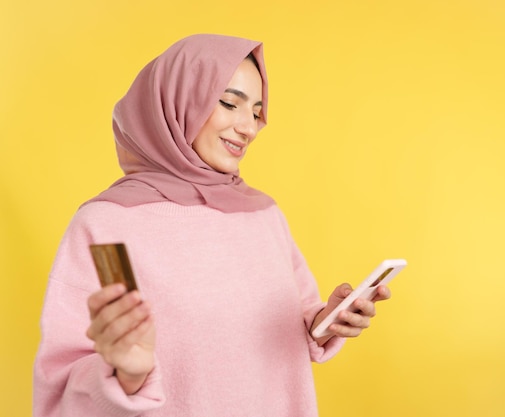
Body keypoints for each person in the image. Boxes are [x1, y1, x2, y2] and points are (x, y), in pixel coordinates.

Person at [33, 34, 391, 417]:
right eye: (228, 103)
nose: (248, 128)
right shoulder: (106, 225)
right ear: (174, 101)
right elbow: (62, 380)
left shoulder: (263, 214)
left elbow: (292, 320)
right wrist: (127, 375)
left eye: (255, 111)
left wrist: (326, 322)